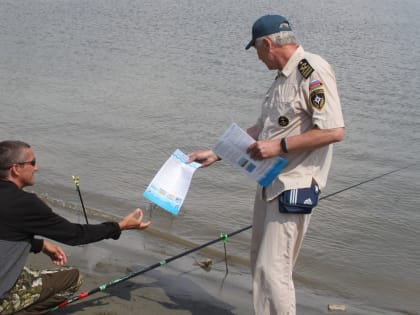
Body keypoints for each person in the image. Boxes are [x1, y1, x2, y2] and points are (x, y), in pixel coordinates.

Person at [188, 14, 345, 314]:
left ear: (267, 43)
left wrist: (279, 146)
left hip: (294, 186)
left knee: (274, 271)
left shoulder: (311, 70)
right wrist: (217, 152)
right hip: (269, 182)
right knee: (260, 263)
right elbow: (262, 130)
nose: (258, 58)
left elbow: (334, 131)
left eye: (257, 50)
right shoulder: (281, 79)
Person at [0, 140, 151, 315]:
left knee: (26, 271)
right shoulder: (25, 204)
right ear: (15, 169)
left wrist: (39, 245)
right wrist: (120, 226)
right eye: (32, 163)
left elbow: (8, 230)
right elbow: (76, 235)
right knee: (73, 278)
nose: (36, 168)